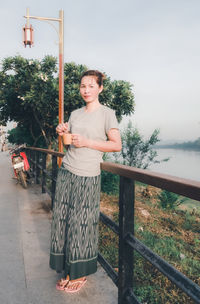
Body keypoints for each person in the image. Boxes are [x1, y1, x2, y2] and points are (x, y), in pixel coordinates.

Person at [50, 70, 121, 293]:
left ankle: (79, 274)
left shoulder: (107, 114)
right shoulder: (75, 114)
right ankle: (67, 269)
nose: (86, 90)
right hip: (67, 171)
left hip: (88, 175)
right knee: (62, 221)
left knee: (82, 225)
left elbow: (116, 145)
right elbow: (68, 144)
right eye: (83, 86)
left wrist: (89, 141)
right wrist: (62, 132)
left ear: (100, 88)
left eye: (91, 86)